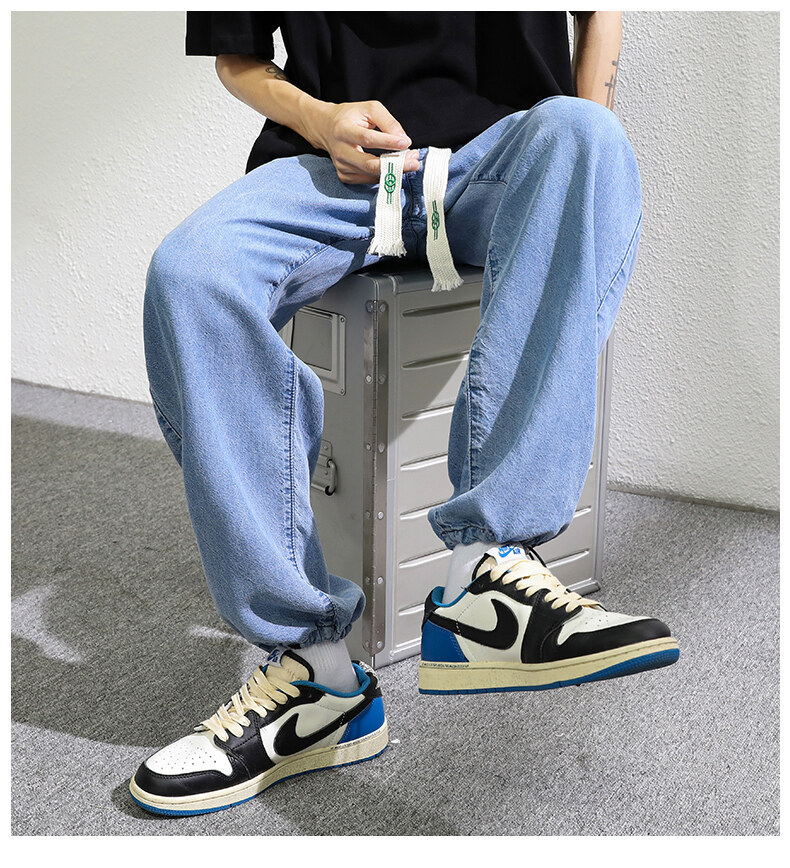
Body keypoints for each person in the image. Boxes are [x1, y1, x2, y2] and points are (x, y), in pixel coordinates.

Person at [129, 11, 679, 817]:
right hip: (335, 169)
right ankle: (316, 675)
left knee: (587, 136)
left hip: (500, 157)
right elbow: (236, 58)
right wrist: (322, 119)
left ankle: (489, 580)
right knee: (191, 273)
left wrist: (580, 170)